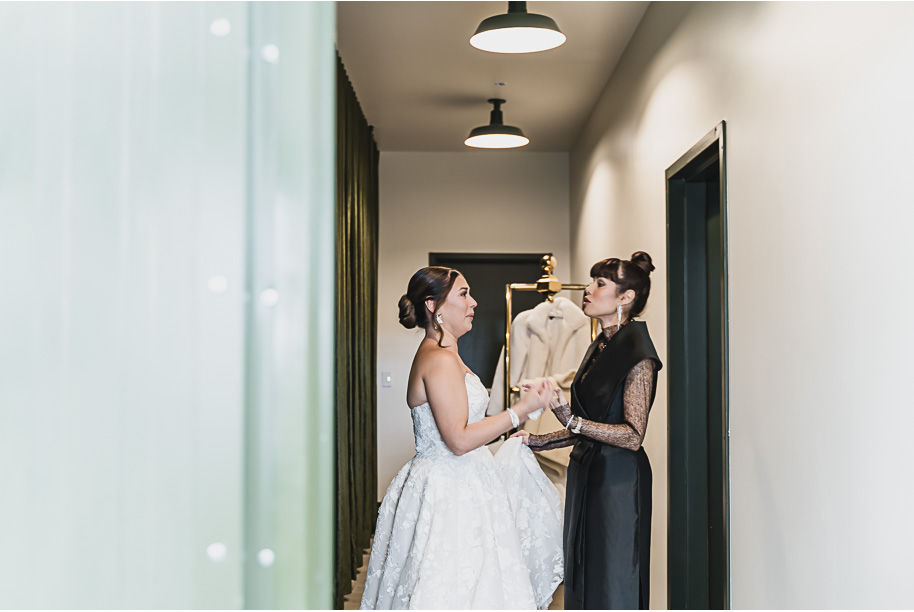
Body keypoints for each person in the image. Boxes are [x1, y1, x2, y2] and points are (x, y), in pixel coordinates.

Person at [361, 266, 564, 610]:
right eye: (463, 293)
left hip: (465, 481)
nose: (474, 302)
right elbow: (458, 440)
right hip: (448, 489)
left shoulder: (446, 353)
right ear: (434, 306)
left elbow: (466, 422)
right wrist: (520, 411)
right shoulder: (438, 358)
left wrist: (520, 419)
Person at [512, 252, 662, 610]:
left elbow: (631, 435)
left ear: (625, 297)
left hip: (618, 481)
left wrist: (569, 418)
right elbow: (586, 425)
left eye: (600, 284)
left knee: (612, 575)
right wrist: (534, 441)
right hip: (588, 471)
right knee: (582, 566)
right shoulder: (600, 345)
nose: (588, 290)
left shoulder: (637, 354)